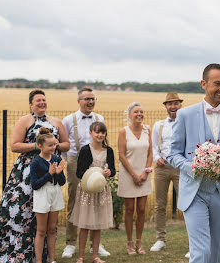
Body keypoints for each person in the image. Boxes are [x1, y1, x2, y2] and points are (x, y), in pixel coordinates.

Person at [168, 63, 220, 263]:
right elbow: (173, 154)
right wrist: (192, 167)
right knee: (201, 251)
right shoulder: (185, 115)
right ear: (204, 84)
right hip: (195, 193)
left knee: (215, 252)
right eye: (217, 84)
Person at [0, 89, 69, 263]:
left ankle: (45, 257)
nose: (42, 103)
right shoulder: (25, 120)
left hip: (50, 168)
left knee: (44, 215)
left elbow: (66, 144)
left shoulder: (56, 122)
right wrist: (38, 147)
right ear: (31, 104)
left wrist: (55, 145)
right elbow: (14, 146)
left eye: (44, 100)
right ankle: (17, 252)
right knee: (22, 211)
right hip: (26, 173)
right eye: (38, 100)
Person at [62, 87, 110, 259]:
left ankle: (95, 245)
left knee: (97, 202)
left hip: (98, 162)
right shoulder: (68, 120)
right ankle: (70, 243)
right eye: (87, 99)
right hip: (76, 162)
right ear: (79, 101)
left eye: (93, 99)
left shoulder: (99, 118)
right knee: (76, 201)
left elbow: (103, 142)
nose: (90, 102)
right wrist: (69, 162)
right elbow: (64, 144)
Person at [70, 122, 116, 263]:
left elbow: (113, 170)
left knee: (97, 225)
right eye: (97, 132)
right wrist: (93, 174)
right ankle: (81, 257)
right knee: (85, 224)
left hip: (102, 191)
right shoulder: (85, 150)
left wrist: (109, 172)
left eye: (102, 132)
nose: (100, 135)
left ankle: (95, 256)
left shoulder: (109, 151)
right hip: (87, 191)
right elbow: (79, 172)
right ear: (90, 133)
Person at [117, 102, 153, 255]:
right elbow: (121, 155)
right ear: (130, 115)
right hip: (128, 174)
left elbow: (151, 152)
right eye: (136, 112)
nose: (139, 114)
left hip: (144, 174)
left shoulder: (147, 130)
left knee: (142, 209)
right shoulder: (123, 131)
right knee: (130, 209)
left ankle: (139, 243)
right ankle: (129, 243)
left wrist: (145, 172)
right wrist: (133, 175)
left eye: (141, 112)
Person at [150, 93, 182, 252]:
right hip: (162, 168)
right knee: (160, 205)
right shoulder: (159, 125)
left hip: (180, 168)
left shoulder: (185, 123)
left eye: (175, 103)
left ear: (180, 105)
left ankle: (194, 241)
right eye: (170, 104)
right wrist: (157, 158)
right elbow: (154, 146)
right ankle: (160, 239)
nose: (173, 107)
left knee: (187, 204)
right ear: (166, 106)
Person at [31, 127, 66, 263]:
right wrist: (49, 174)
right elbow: (35, 184)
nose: (53, 147)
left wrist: (58, 173)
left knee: (52, 229)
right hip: (42, 195)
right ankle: (39, 261)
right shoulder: (36, 162)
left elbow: (62, 182)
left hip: (55, 193)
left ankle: (52, 260)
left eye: (54, 145)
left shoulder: (57, 158)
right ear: (40, 146)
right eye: (50, 145)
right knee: (41, 230)